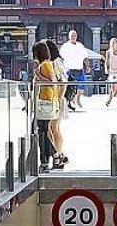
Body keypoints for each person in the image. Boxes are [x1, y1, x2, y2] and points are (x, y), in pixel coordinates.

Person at [31, 42, 60, 173]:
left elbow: (52, 81)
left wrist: (38, 76)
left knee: (40, 131)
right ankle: (53, 155)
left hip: (46, 102)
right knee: (41, 130)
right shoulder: (45, 64)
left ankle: (46, 160)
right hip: (45, 101)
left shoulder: (46, 65)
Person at [47, 40, 68, 168]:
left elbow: (63, 81)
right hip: (54, 99)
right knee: (52, 129)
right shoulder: (52, 63)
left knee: (53, 129)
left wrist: (59, 99)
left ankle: (58, 155)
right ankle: (58, 154)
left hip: (56, 99)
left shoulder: (55, 63)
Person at [60, 29, 89, 111]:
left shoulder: (80, 45)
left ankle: (78, 99)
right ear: (69, 37)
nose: (73, 37)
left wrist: (87, 66)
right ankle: (70, 102)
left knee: (82, 85)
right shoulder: (65, 46)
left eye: (74, 35)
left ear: (76, 36)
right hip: (69, 69)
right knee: (69, 87)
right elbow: (61, 58)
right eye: (72, 36)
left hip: (79, 69)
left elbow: (85, 57)